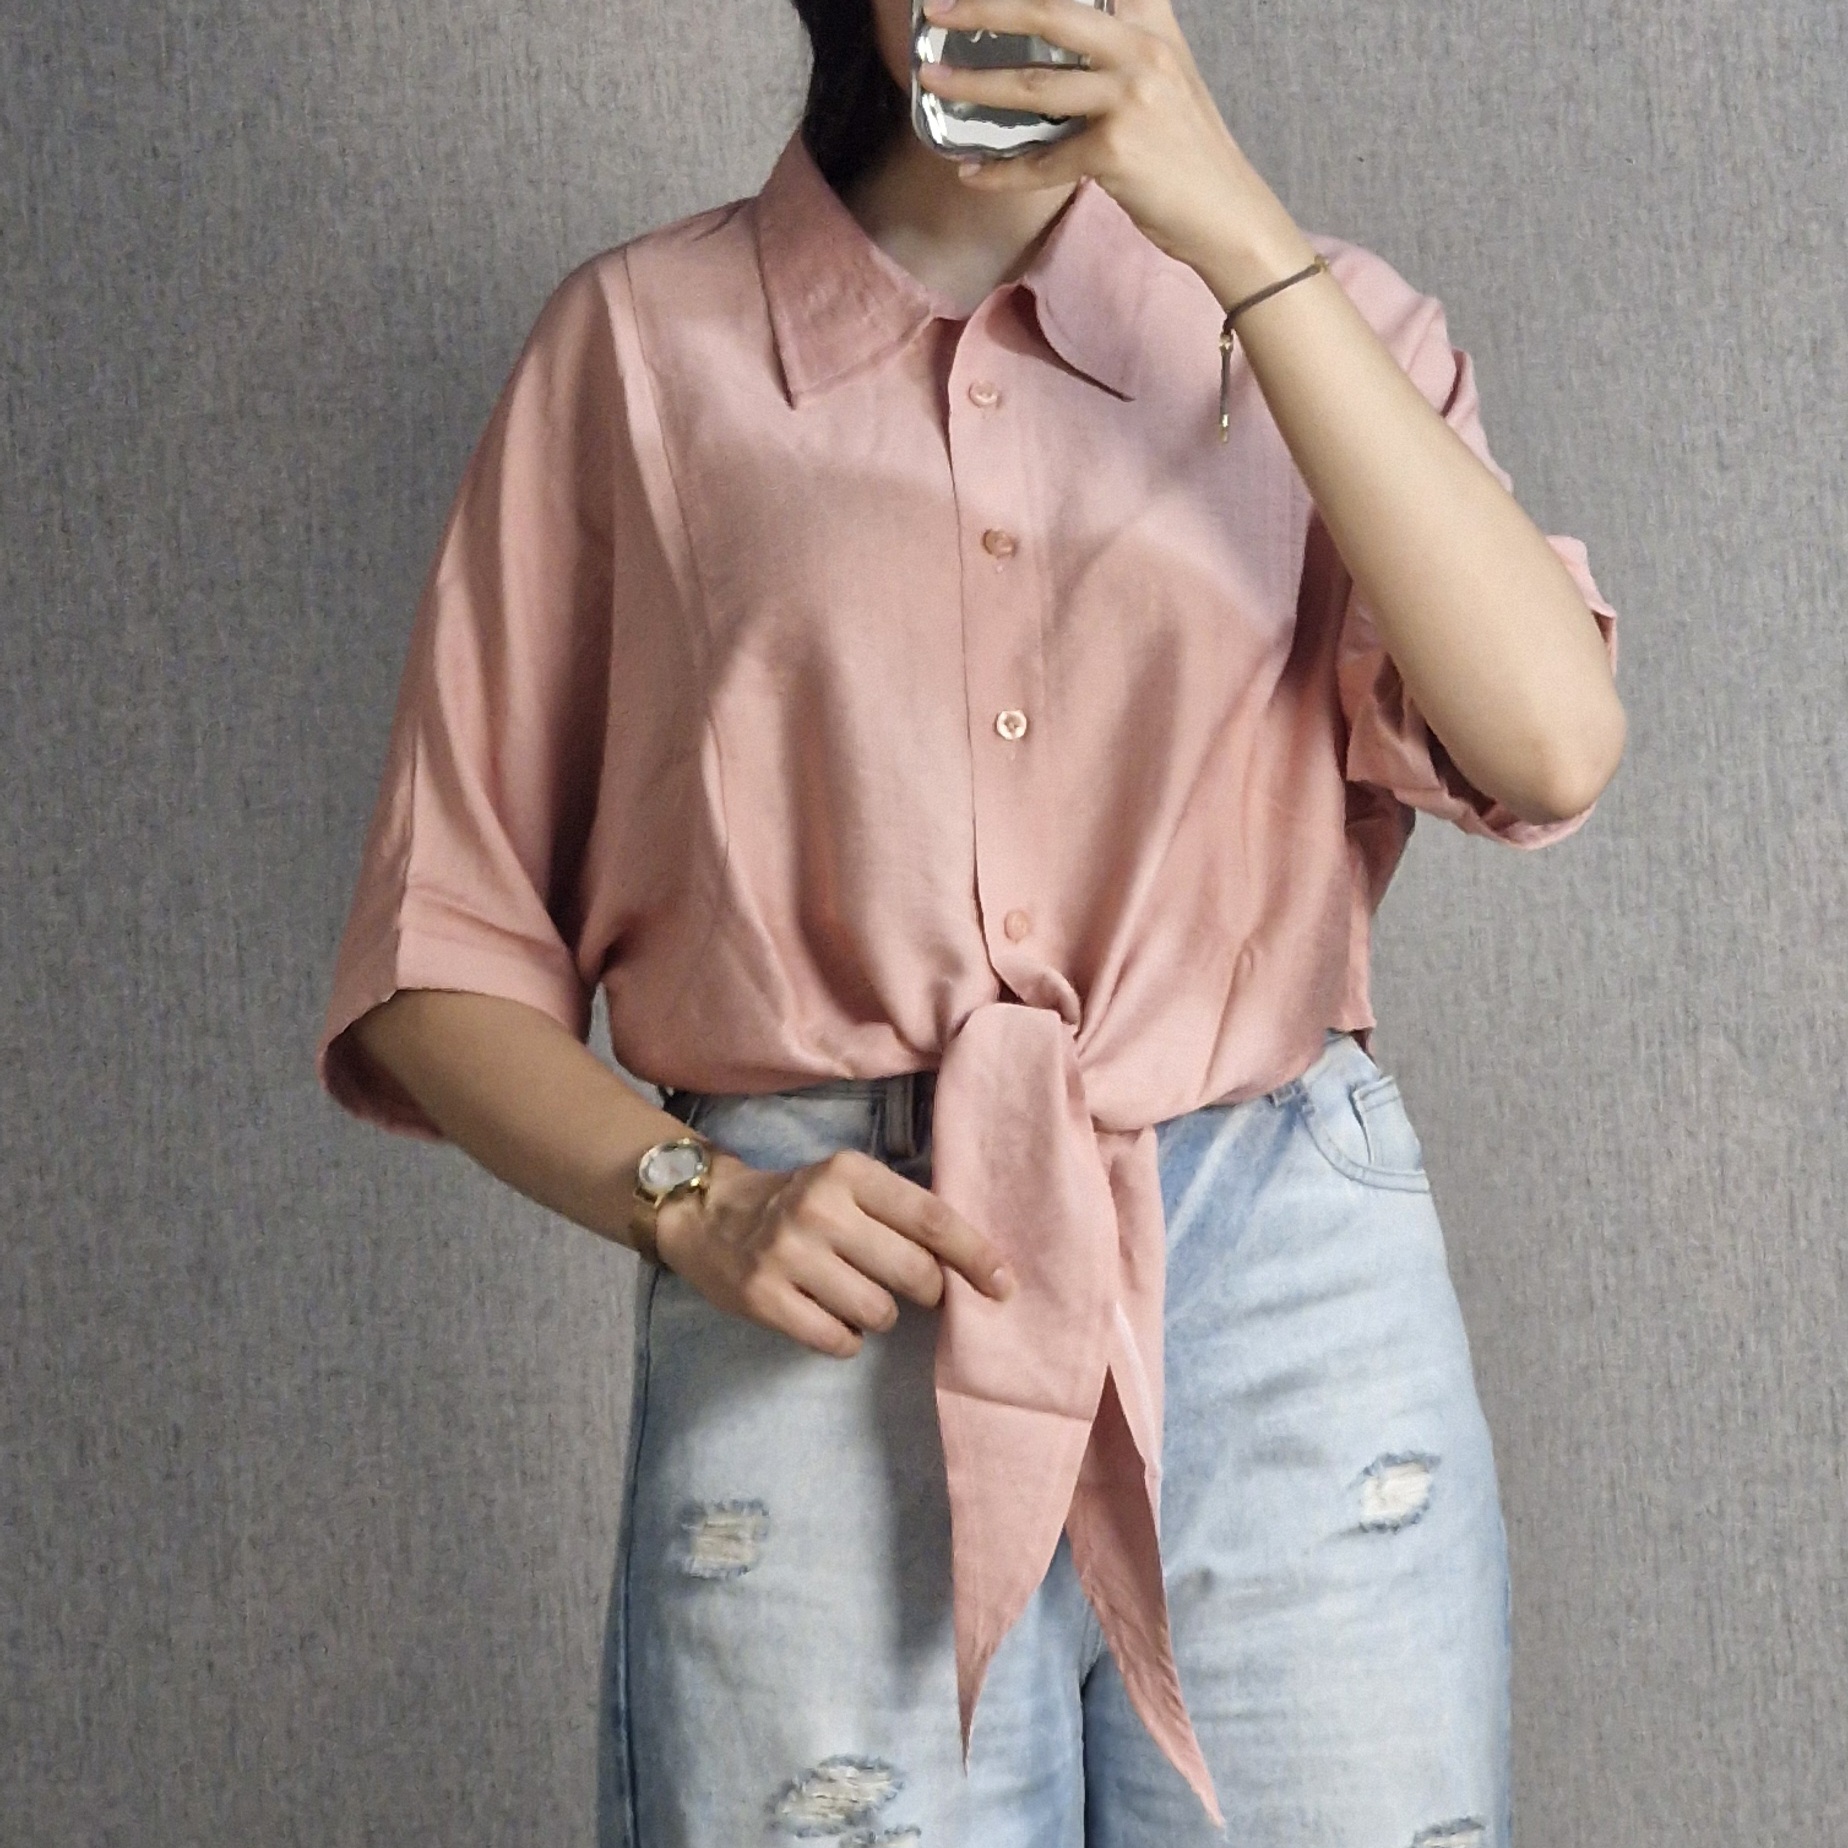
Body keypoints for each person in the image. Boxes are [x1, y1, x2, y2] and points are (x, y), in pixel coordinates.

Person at [315, 0, 1624, 1842]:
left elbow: (1549, 746)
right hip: (823, 1302)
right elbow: (435, 959)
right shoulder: (639, 348)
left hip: (1283, 1288)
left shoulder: (1322, 325)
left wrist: (1239, 239)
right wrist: (698, 1200)